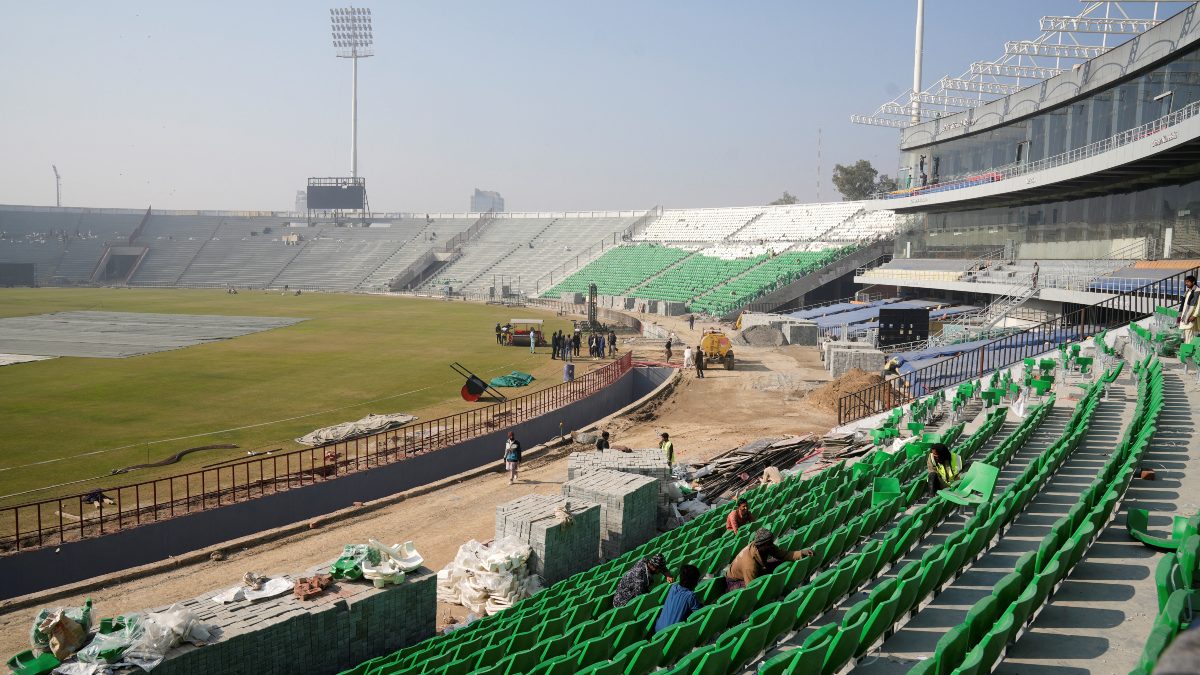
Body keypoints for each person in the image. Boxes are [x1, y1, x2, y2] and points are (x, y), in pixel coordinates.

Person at [726, 529, 813, 591]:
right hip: (736, 581)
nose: (772, 544)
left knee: (781, 562)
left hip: (758, 569)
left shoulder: (766, 546)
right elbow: (751, 588)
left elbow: (783, 554)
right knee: (761, 587)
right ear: (762, 545)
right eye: (769, 543)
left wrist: (801, 553)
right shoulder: (749, 564)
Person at [653, 564, 702, 633]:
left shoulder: (673, 587)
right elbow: (698, 614)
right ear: (694, 582)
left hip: (658, 629)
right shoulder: (690, 596)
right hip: (672, 632)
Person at [1180, 275, 1199, 342]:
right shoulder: (1188, 291)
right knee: (1187, 334)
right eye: (1185, 282)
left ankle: (1188, 349)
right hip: (1186, 316)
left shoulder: (1197, 291)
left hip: (1191, 316)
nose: (1186, 283)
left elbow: (1199, 305)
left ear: (1193, 282)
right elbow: (1185, 305)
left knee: (1189, 333)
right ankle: (1187, 348)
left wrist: (1194, 315)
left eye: (1188, 282)